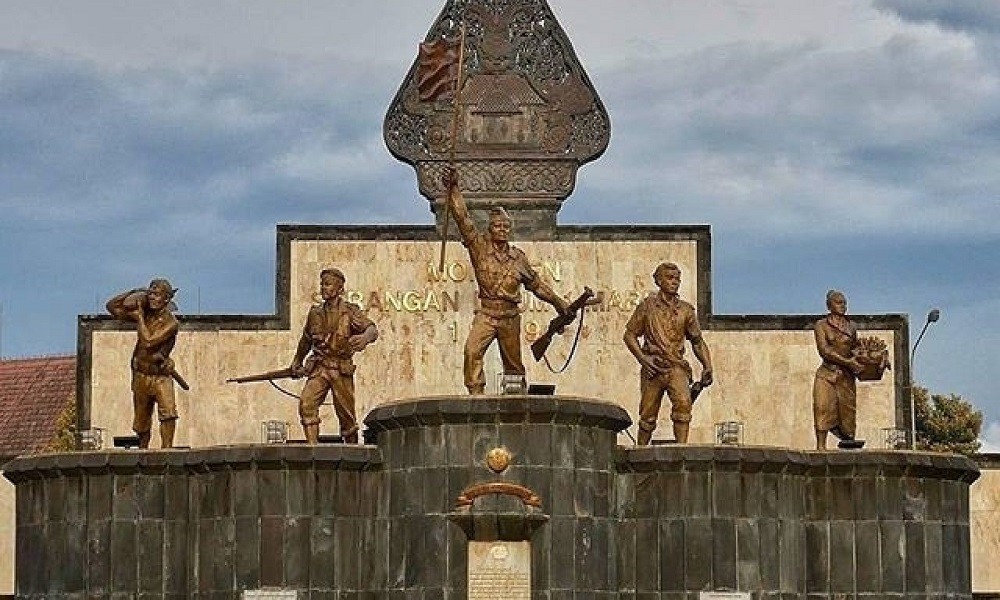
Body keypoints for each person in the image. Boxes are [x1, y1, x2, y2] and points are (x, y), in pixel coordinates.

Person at [444, 169, 571, 394]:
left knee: (513, 367)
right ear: (490, 229)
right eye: (497, 226)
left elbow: (537, 286)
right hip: (486, 314)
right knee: (471, 352)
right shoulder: (479, 248)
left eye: (505, 227)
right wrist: (454, 189)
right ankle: (476, 394)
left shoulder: (518, 258)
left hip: (510, 317)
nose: (502, 230)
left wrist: (558, 302)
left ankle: (516, 401)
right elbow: (463, 219)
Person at [623, 262, 713, 444]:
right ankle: (640, 450)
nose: (674, 282)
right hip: (653, 367)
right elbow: (629, 335)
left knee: (683, 405)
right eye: (670, 278)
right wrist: (643, 359)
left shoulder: (686, 310)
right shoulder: (647, 307)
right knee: (648, 415)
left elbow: (697, 341)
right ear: (659, 281)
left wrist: (707, 365)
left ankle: (681, 449)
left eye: (677, 279)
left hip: (676, 367)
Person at [289, 268, 377, 444]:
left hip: (340, 369)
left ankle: (352, 450)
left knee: (347, 417)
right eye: (322, 284)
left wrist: (364, 338)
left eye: (328, 284)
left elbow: (372, 329)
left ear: (339, 289)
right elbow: (306, 340)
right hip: (320, 367)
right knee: (307, 404)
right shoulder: (315, 313)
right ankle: (313, 449)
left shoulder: (350, 312)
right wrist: (297, 361)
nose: (323, 288)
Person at [106, 278, 181, 448]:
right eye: (150, 293)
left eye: (157, 295)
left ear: (166, 299)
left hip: (160, 376)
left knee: (168, 414)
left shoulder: (171, 323)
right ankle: (142, 450)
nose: (152, 297)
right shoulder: (146, 314)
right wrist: (133, 291)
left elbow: (148, 341)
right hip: (141, 374)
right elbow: (111, 307)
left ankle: (167, 450)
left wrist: (139, 317)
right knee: (141, 421)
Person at [812, 289, 863, 450]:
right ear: (829, 305)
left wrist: (870, 358)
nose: (843, 306)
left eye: (845, 303)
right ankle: (821, 448)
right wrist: (847, 362)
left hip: (846, 378)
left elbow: (856, 348)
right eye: (839, 303)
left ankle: (848, 446)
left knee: (847, 417)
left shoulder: (851, 326)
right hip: (826, 374)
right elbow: (824, 350)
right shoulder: (821, 325)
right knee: (822, 408)